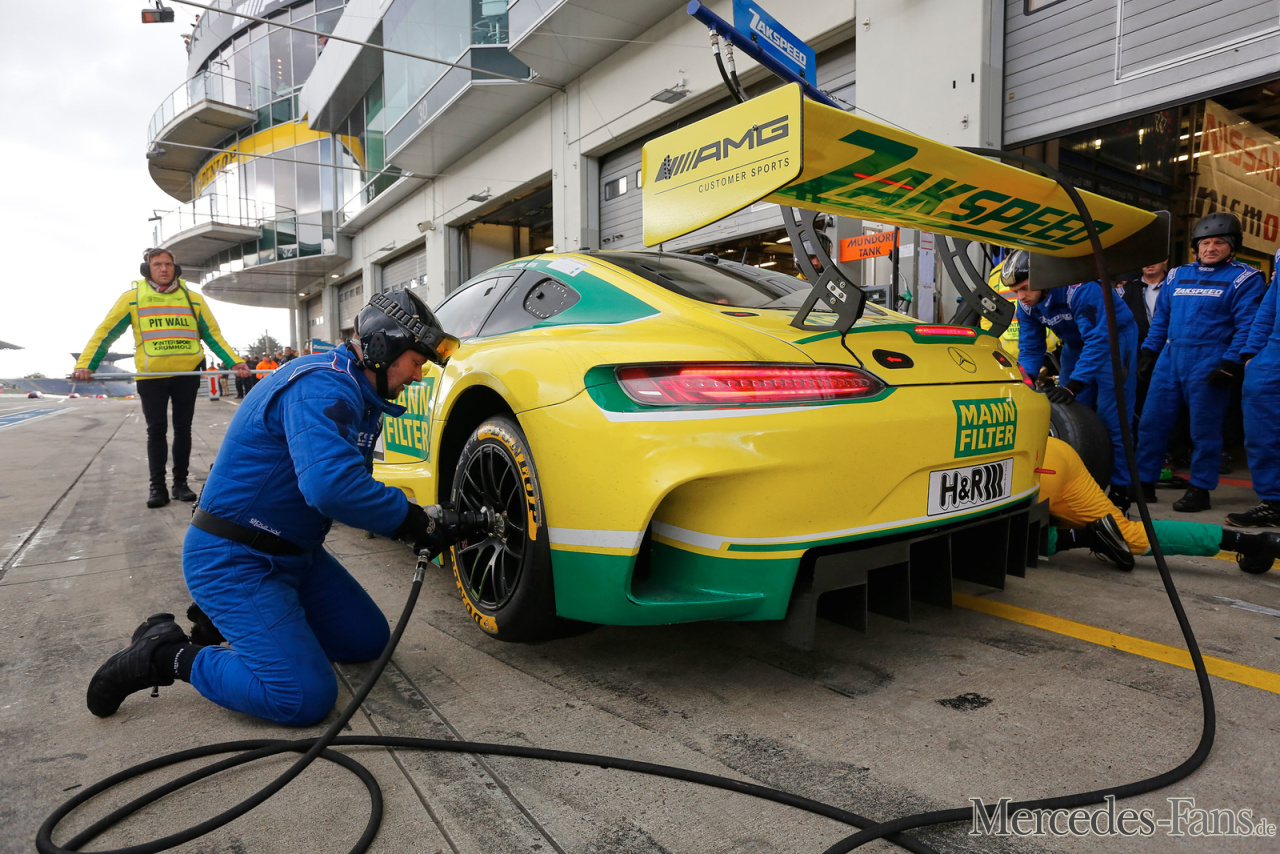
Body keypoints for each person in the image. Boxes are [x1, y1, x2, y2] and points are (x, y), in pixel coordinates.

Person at [85, 290, 485, 726]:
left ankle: (254, 627)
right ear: (383, 346)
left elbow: (338, 483)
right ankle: (165, 653)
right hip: (234, 558)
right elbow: (331, 487)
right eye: (416, 360)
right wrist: (411, 521)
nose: (419, 374)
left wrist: (409, 517)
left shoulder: (354, 390)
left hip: (295, 555)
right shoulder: (321, 385)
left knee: (366, 641)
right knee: (301, 697)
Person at [72, 248, 249, 508]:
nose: (163, 269)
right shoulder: (133, 299)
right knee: (156, 431)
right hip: (151, 377)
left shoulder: (194, 299)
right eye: (157, 264)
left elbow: (213, 336)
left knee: (183, 430)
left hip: (186, 375)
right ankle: (157, 487)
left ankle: (180, 484)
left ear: (176, 268)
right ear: (147, 269)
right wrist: (86, 364)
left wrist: (236, 362)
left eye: (168, 264)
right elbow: (105, 333)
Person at [1136, 213, 1265, 512]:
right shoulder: (1176, 275)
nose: (1211, 248)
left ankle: (1200, 488)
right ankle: (1143, 482)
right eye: (1205, 243)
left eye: (1219, 242)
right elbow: (1162, 318)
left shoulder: (1246, 278)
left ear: (1232, 246)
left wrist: (1230, 363)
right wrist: (1149, 351)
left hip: (1210, 360)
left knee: (1204, 431)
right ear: (1196, 247)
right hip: (1170, 358)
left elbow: (1247, 325)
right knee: (1152, 424)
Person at [1005, 250, 1140, 504]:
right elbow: (1031, 347)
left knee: (1113, 420)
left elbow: (1099, 339)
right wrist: (1025, 382)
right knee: (1072, 415)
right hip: (1076, 345)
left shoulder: (1081, 290)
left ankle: (1121, 490)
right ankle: (1083, 484)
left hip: (1114, 340)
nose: (1021, 297)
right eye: (1015, 291)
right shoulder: (1026, 305)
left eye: (1025, 288)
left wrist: (1073, 385)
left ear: (1044, 277)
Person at [1040, 437, 1277, 572]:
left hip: (1041, 467)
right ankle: (1251, 543)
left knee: (1024, 538)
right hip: (1048, 445)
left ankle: (1251, 543)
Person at [1230, 249, 1280, 528]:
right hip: (1273, 351)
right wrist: (1251, 352)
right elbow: (1270, 303)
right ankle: (1273, 502)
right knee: (1261, 430)